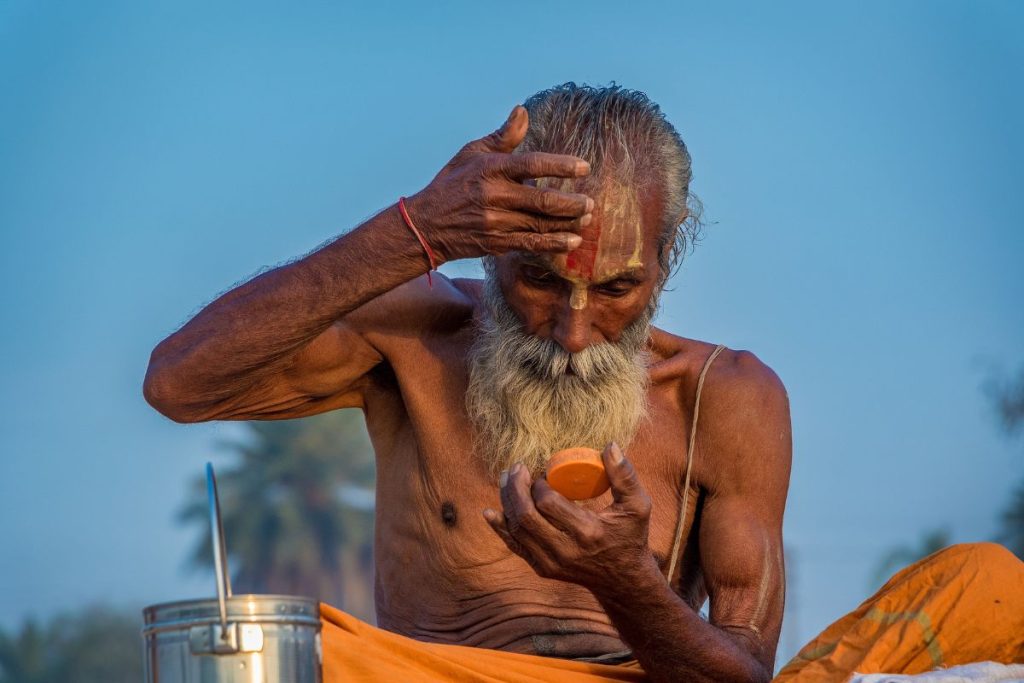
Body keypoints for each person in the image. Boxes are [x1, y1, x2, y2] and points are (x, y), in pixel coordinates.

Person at [144, 83, 1024, 682]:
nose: (572, 331)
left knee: (989, 582)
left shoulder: (729, 396)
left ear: (666, 258)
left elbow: (742, 670)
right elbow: (178, 383)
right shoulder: (414, 336)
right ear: (484, 246)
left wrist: (626, 580)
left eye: (615, 290)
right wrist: (414, 229)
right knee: (293, 653)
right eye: (537, 281)